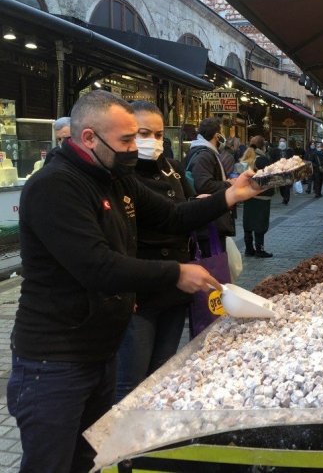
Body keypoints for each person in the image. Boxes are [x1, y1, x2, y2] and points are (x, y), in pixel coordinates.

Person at [7, 90, 262, 472]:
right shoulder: (55, 186)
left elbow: (173, 216)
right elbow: (98, 267)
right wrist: (176, 272)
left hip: (98, 352)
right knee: (51, 464)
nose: (135, 148)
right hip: (54, 361)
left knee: (89, 460)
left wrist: (231, 195)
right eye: (126, 139)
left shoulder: (115, 177)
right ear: (89, 138)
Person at [114, 101, 195, 404]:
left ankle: (150, 428)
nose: (152, 141)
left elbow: (184, 214)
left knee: (162, 372)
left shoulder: (173, 169)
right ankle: (122, 434)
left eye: (158, 134)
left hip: (175, 287)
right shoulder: (120, 176)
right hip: (140, 292)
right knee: (130, 381)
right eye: (143, 133)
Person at [183, 117, 236, 257]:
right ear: (217, 135)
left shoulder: (205, 152)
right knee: (212, 262)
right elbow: (204, 185)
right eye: (221, 132)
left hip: (209, 220)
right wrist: (229, 184)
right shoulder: (204, 155)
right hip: (209, 223)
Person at [242, 146, 274, 257]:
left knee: (248, 226)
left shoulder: (247, 166)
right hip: (262, 201)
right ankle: (260, 250)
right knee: (260, 226)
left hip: (249, 199)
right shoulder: (264, 163)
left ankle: (249, 249)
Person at [270, 137, 294, 204]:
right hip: (278, 170)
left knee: (287, 185)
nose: (282, 143)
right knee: (281, 185)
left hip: (287, 171)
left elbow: (292, 160)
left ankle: (286, 198)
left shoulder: (289, 151)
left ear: (285, 142)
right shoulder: (275, 151)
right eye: (281, 141)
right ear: (279, 142)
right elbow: (272, 160)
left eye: (283, 141)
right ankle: (284, 196)